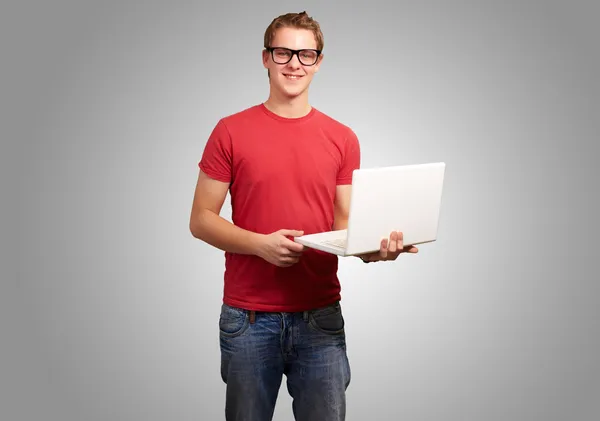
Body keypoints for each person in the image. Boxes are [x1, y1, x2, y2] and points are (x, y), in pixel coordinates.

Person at [189, 11, 418, 421]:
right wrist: (261, 246)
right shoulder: (230, 131)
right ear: (265, 58)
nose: (295, 63)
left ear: (319, 62)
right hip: (248, 318)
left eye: (306, 54)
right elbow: (201, 219)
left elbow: (343, 226)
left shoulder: (342, 138)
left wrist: (375, 251)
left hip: (320, 318)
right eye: (284, 52)